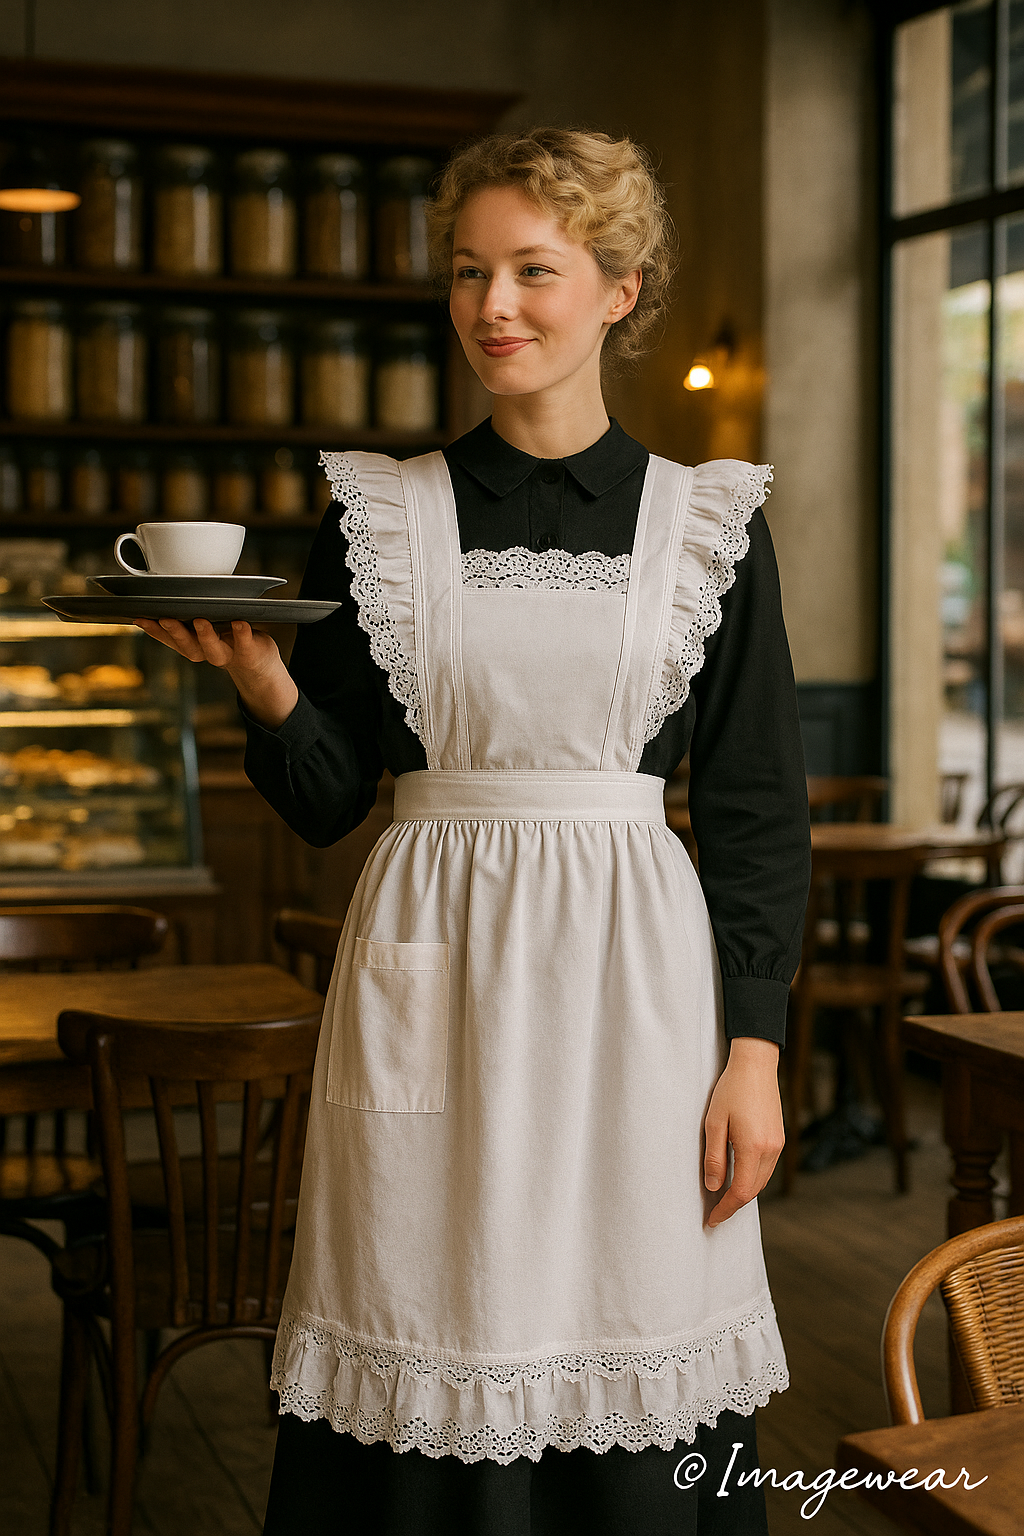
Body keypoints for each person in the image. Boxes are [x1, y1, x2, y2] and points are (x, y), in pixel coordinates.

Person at [136, 127, 811, 1536]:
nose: (491, 305)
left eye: (533, 271)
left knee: (637, 1330)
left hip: (642, 1003)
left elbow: (753, 810)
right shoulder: (381, 515)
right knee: (426, 1318)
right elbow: (328, 801)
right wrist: (263, 683)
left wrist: (752, 1048)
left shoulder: (704, 525)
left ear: (620, 289)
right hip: (430, 991)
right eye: (467, 272)